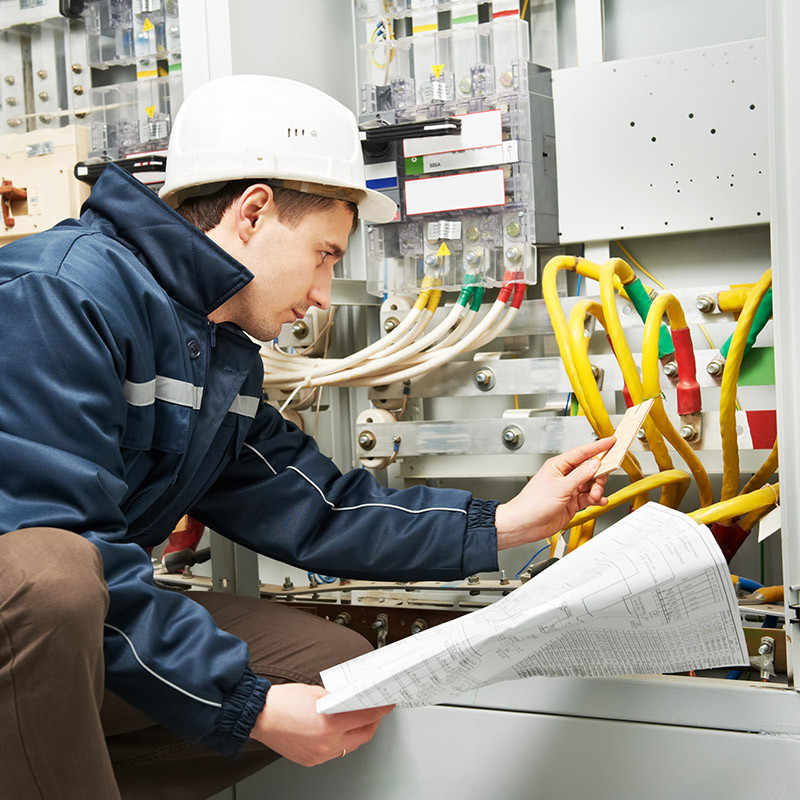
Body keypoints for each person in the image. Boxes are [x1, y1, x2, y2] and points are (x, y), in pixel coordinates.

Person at [0, 75, 611, 799]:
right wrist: (246, 704)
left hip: (60, 637)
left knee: (329, 672)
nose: (324, 292)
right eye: (325, 253)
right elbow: (55, 543)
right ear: (253, 212)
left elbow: (312, 505)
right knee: (54, 573)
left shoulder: (214, 347)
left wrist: (505, 523)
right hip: (35, 610)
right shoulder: (59, 295)